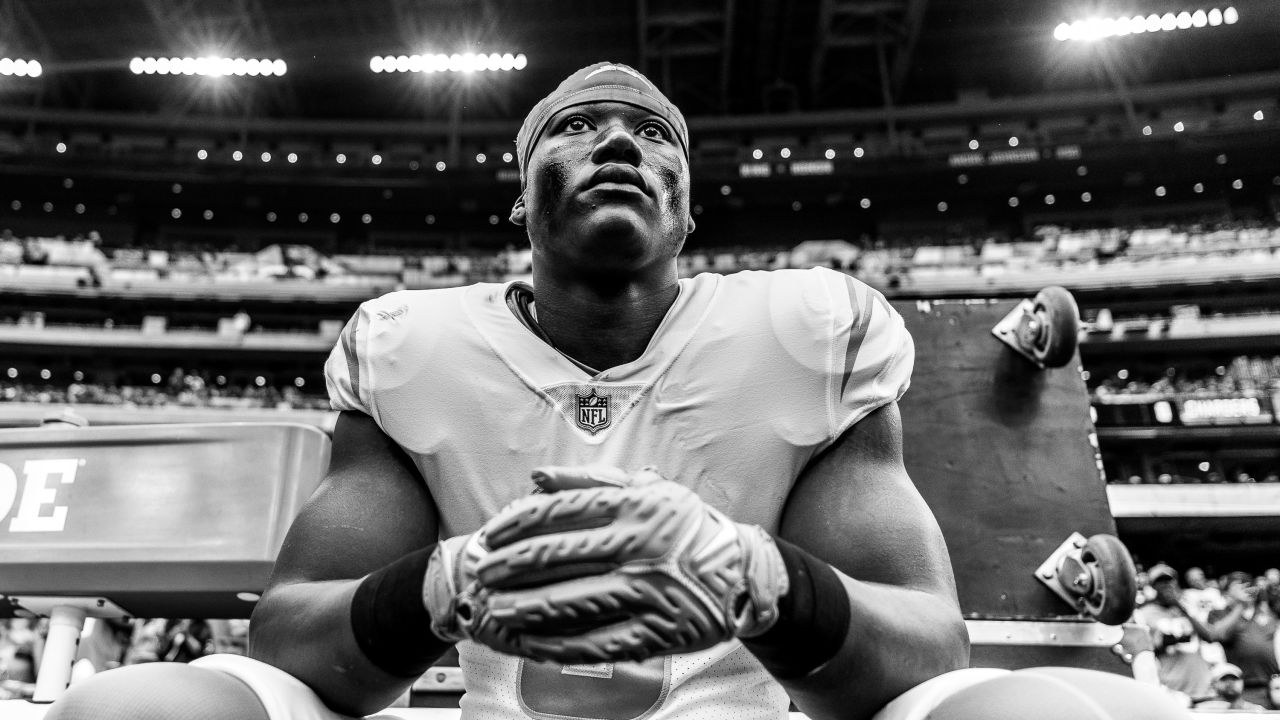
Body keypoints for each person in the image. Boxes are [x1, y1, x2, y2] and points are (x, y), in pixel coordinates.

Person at [48, 60, 967, 720]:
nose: (616, 139)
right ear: (522, 201)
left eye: (652, 134)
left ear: (688, 206)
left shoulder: (810, 331)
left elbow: (927, 645)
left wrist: (766, 582)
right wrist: (446, 585)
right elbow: (293, 637)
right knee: (129, 707)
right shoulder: (415, 345)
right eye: (576, 127)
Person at [1133, 563, 1214, 701]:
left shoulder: (1188, 606)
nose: (1167, 585)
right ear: (1153, 586)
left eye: (1170, 581)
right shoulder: (1144, 613)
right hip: (1171, 689)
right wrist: (1170, 640)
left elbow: (1209, 636)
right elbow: (1144, 651)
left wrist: (1180, 607)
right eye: (1161, 582)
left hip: (1202, 686)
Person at [1202, 572, 1280, 708]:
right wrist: (1240, 606)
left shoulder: (1266, 613)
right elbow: (1218, 635)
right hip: (1241, 688)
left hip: (1272, 686)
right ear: (1226, 592)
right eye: (1239, 585)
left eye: (1248, 584)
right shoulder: (1219, 613)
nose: (1245, 588)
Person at [1195, 662, 1266, 711]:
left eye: (1234, 679)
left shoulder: (1255, 711)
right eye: (1224, 679)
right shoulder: (1202, 710)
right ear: (1213, 684)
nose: (1230, 683)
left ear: (1242, 682)